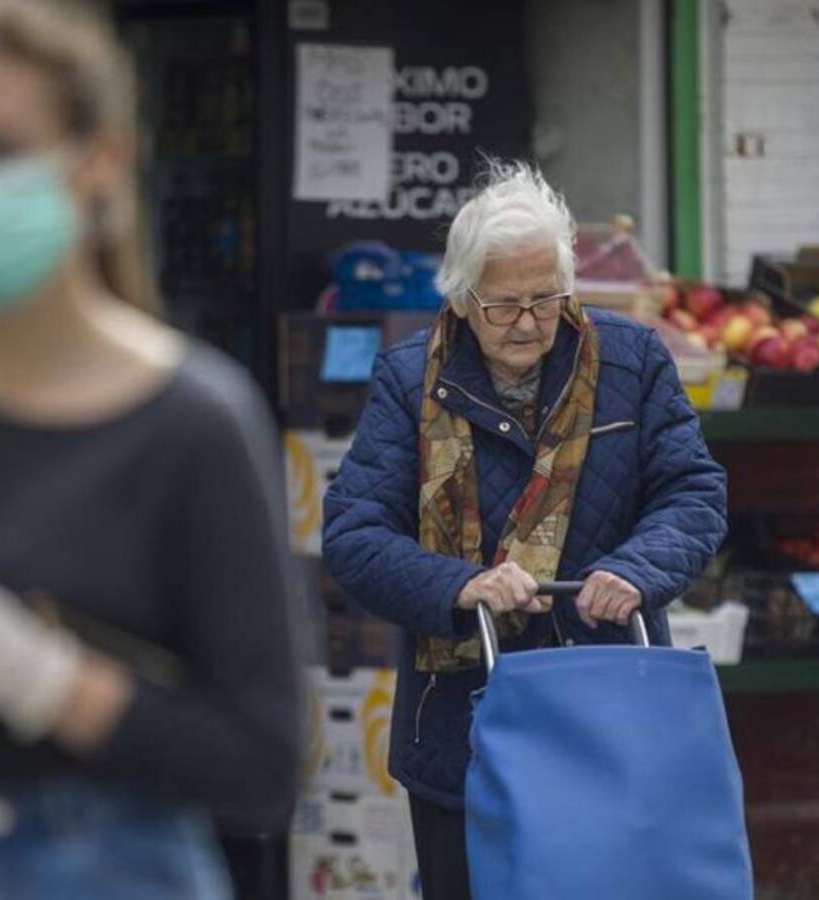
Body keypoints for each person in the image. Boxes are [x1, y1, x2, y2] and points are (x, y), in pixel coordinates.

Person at [0, 1, 301, 896]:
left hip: (112, 865)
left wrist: (43, 683)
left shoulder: (194, 427)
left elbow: (259, 764)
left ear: (101, 162)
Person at [323, 160, 728, 900]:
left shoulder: (632, 360)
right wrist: (462, 584)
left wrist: (639, 568)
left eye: (547, 300)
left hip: (611, 717)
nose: (530, 323)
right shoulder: (409, 379)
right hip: (462, 730)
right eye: (505, 305)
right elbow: (353, 534)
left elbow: (693, 490)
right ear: (463, 295)